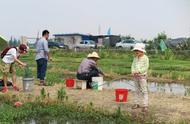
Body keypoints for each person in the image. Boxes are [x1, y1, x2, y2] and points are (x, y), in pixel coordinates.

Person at [131, 43, 149, 112]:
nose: (136, 52)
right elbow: (132, 65)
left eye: (137, 50)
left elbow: (146, 67)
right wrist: (133, 71)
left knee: (144, 91)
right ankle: (136, 103)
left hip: (142, 77)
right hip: (135, 77)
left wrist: (139, 71)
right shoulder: (135, 58)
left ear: (142, 51)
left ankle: (145, 105)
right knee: (136, 90)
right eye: (135, 51)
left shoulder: (146, 58)